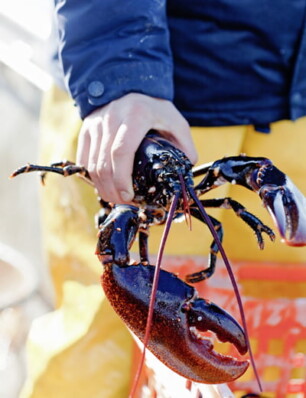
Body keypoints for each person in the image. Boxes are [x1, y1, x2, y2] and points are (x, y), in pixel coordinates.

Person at [22, 1, 306, 397]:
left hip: (293, 115)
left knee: (284, 332)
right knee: (99, 346)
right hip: (137, 110)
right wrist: (119, 71)